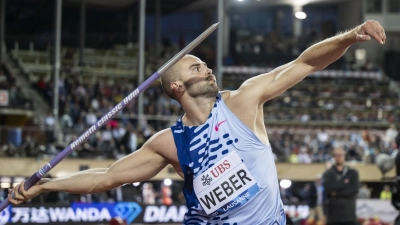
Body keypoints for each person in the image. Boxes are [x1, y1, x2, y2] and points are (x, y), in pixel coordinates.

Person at [9, 20, 385, 224]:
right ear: (177, 85)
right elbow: (104, 177)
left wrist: (351, 36)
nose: (207, 67)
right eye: (196, 66)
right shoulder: (168, 142)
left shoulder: (243, 101)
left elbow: (305, 63)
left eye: (204, 64)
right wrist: (44, 187)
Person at [323, 148, 360, 225]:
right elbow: (328, 189)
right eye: (337, 155)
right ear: (334, 157)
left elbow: (354, 189)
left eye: (341, 155)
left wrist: (336, 193)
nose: (339, 157)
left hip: (350, 216)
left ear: (344, 156)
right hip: (333, 217)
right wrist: (345, 186)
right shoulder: (328, 174)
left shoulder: (353, 173)